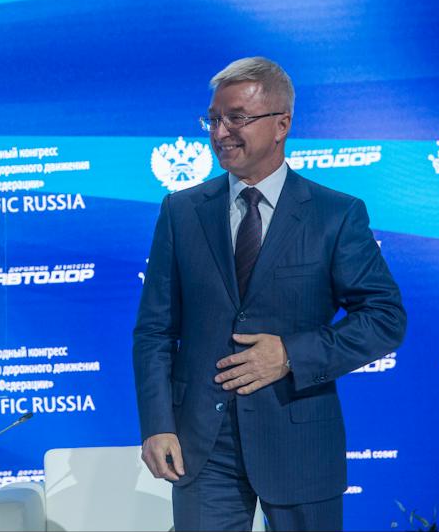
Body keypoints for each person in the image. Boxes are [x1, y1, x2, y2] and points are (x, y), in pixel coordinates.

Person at [133, 57, 406, 531]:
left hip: (300, 439)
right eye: (213, 119)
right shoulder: (180, 212)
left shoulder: (335, 215)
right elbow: (154, 331)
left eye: (236, 118)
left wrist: (289, 355)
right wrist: (158, 424)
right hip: (203, 446)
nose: (220, 132)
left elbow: (384, 317)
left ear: (282, 124)